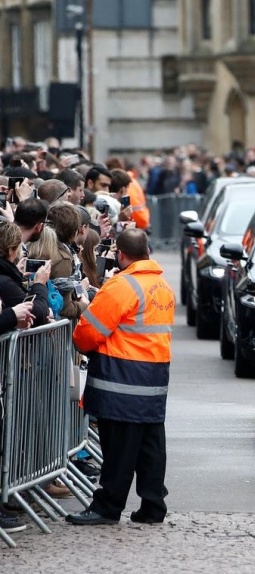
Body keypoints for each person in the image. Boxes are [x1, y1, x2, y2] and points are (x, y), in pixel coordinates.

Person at [67, 229, 175, 526]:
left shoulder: (120, 286)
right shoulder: (162, 286)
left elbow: (87, 334)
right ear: (148, 251)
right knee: (150, 448)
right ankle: (153, 505)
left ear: (121, 254)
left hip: (121, 379)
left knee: (118, 449)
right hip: (153, 379)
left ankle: (108, 506)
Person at [0, 221, 51, 327]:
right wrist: (39, 284)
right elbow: (37, 312)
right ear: (10, 250)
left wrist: (16, 274)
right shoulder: (4, 281)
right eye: (19, 246)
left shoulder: (6, 277)